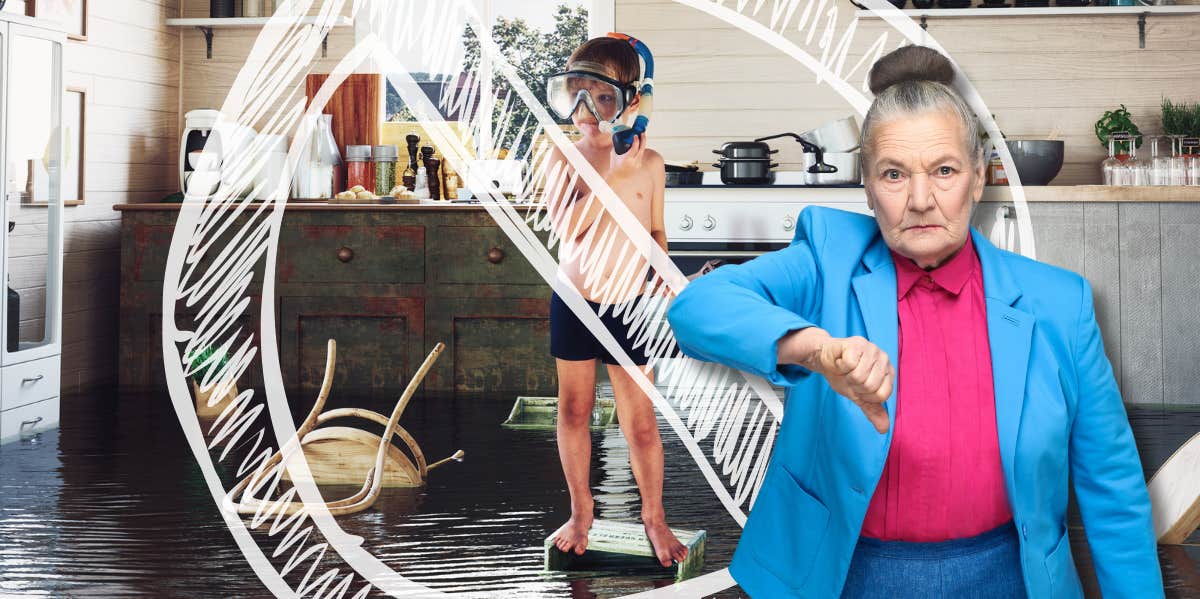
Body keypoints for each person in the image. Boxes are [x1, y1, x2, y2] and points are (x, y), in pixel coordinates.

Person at [667, 45, 1163, 598]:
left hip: (1011, 575)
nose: (921, 199)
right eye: (895, 174)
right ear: (869, 189)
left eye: (944, 171)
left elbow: (1112, 490)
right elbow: (695, 308)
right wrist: (814, 349)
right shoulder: (827, 262)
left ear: (978, 178)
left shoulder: (1059, 304)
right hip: (845, 572)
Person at [541, 35, 688, 568]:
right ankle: (582, 511)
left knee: (641, 421)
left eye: (600, 98)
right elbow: (571, 229)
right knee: (574, 410)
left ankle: (654, 517)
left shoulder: (651, 164)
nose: (584, 111)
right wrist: (599, 162)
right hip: (577, 302)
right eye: (574, 94)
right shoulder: (559, 156)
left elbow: (654, 231)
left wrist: (665, 276)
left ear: (632, 102)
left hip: (629, 306)